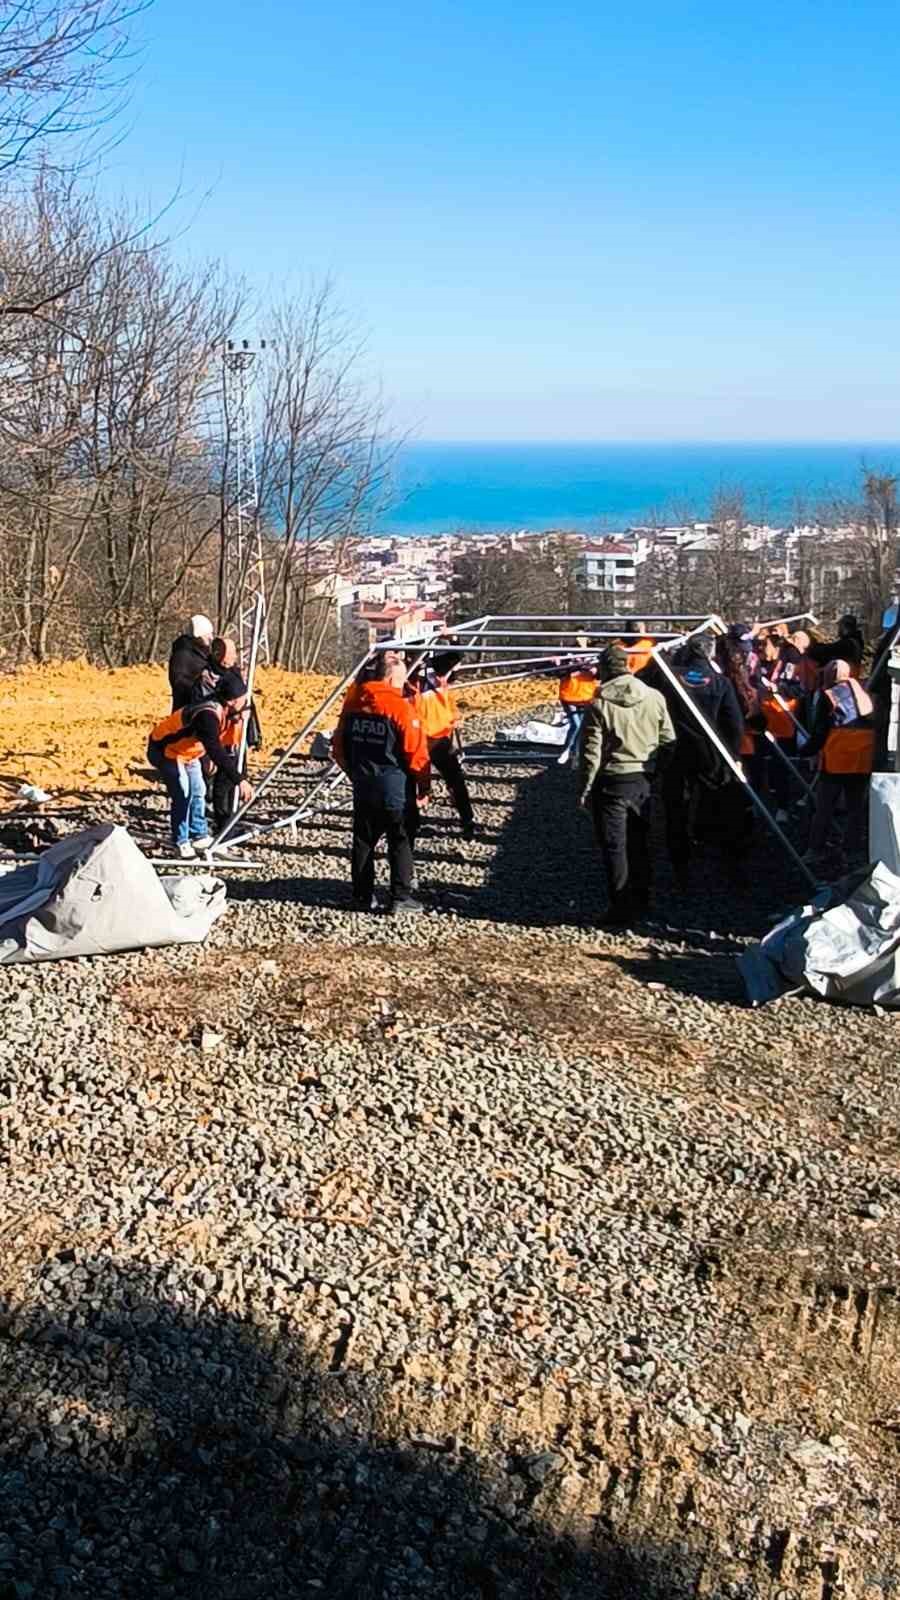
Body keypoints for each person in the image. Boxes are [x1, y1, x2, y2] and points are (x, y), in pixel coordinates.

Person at [578, 642, 676, 926]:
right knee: (640, 841)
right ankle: (643, 899)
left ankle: (620, 907)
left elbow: (590, 753)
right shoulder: (655, 697)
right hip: (642, 779)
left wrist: (584, 789)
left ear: (605, 669)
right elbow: (668, 739)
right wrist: (655, 770)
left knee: (614, 846)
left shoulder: (599, 703)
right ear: (628, 666)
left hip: (611, 781)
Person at [332, 653, 431, 914]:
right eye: (401, 680)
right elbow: (416, 752)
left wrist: (355, 773)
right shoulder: (400, 708)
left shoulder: (354, 704)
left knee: (363, 841)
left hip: (364, 786)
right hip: (395, 787)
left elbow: (338, 747)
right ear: (390, 679)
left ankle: (362, 896)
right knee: (400, 840)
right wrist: (424, 786)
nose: (403, 686)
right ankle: (400, 897)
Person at [660, 632, 744, 883]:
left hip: (677, 750)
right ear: (710, 653)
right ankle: (721, 855)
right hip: (711, 751)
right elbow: (734, 724)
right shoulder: (720, 683)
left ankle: (679, 859)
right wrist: (734, 753)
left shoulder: (671, 679)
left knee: (676, 806)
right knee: (717, 800)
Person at [147, 672, 253, 858]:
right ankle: (180, 841)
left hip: (189, 753)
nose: (246, 703)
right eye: (243, 700)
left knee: (198, 791)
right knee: (184, 793)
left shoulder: (224, 710)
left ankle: (199, 834)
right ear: (232, 701)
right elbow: (214, 747)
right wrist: (239, 780)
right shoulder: (207, 715)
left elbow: (215, 743)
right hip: (166, 751)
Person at [803, 660, 875, 870]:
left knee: (824, 807)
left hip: (837, 759)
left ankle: (815, 849)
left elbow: (820, 731)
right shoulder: (862, 691)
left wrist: (806, 751)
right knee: (855, 809)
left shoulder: (829, 695)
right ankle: (850, 851)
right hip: (862, 759)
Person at [412, 653, 475, 840]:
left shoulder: (432, 667)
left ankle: (467, 820)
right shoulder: (404, 674)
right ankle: (412, 824)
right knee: (413, 783)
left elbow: (457, 655)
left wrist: (451, 637)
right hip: (418, 737)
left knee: (455, 779)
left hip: (437, 736)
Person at [552, 641, 598, 766]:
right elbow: (557, 672)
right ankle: (567, 750)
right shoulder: (566, 655)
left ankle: (576, 756)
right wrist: (572, 666)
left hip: (586, 696)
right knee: (576, 725)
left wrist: (592, 669)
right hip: (569, 695)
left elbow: (598, 674)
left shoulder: (593, 655)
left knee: (581, 728)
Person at [168, 614, 214, 711]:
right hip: (186, 711)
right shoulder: (182, 654)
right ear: (198, 635)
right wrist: (200, 688)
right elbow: (178, 682)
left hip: (202, 708)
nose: (211, 637)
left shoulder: (204, 654)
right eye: (208, 634)